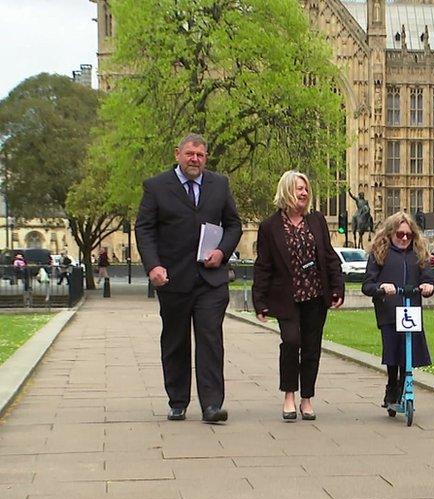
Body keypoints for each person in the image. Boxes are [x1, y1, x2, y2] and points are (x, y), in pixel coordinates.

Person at [135, 133, 242, 423]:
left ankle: (211, 405)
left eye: (201, 155)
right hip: (173, 279)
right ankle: (178, 400)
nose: (195, 159)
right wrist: (153, 266)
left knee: (210, 339)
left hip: (210, 280)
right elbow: (144, 229)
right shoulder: (156, 187)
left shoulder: (219, 184)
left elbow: (234, 225)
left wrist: (222, 251)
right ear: (177, 154)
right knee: (175, 340)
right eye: (190, 154)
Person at [252, 171, 345, 421]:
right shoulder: (270, 227)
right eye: (298, 189)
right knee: (291, 342)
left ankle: (306, 398)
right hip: (287, 297)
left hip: (315, 295)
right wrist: (259, 300)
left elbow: (329, 257)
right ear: (285, 192)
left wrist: (337, 288)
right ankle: (289, 395)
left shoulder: (316, 221)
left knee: (312, 347)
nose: (303, 193)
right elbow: (263, 266)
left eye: (305, 189)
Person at [362, 212, 434, 408]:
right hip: (389, 310)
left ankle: (403, 384)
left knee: (408, 351)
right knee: (393, 351)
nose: (404, 238)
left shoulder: (418, 253)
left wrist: (428, 286)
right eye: (400, 234)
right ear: (390, 233)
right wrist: (381, 288)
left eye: (408, 235)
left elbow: (427, 277)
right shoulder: (380, 253)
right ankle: (391, 385)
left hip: (410, 310)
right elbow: (368, 284)